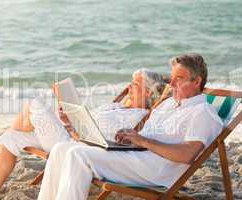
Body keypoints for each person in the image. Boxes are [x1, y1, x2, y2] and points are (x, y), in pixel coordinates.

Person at [37, 53, 224, 200]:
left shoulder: (203, 112)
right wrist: (131, 136)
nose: (172, 84)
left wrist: (142, 140)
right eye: (172, 78)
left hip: (155, 169)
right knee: (62, 148)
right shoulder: (169, 104)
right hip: (137, 155)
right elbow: (149, 135)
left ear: (197, 81)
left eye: (179, 78)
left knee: (78, 155)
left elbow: (187, 154)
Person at [0, 68, 168, 200]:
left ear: (149, 93)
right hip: (70, 134)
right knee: (13, 138)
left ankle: (1, 134)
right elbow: (89, 122)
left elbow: (104, 140)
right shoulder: (116, 106)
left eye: (135, 85)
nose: (129, 87)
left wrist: (74, 131)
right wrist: (69, 120)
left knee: (35, 104)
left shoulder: (139, 116)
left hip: (75, 145)